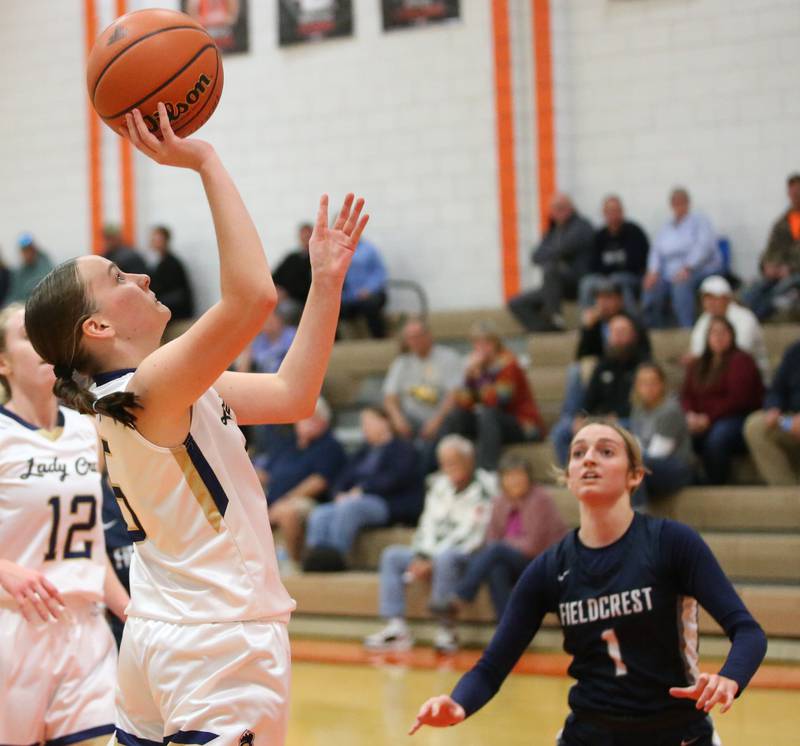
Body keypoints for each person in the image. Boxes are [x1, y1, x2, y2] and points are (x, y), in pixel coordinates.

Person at [24, 106, 368, 745]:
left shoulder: (145, 391)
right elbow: (253, 298)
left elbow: (293, 394)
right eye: (120, 278)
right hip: (220, 640)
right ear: (97, 328)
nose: (144, 275)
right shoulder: (151, 390)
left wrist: (325, 285)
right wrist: (204, 161)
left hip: (163, 632)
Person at [410, 421, 768, 744]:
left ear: (635, 476)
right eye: (578, 453)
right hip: (589, 734)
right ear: (568, 476)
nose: (589, 459)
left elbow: (748, 632)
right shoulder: (549, 568)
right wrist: (458, 703)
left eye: (606, 451)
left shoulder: (672, 543)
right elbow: (491, 667)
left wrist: (729, 678)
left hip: (676, 732)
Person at [0, 304, 129, 746]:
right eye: (25, 336)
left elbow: (91, 540)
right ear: (2, 361)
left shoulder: (88, 430)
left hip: (84, 631)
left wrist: (128, 609)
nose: (40, 344)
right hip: (12, 629)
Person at [364, 435, 495, 654]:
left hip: (468, 555)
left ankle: (447, 629)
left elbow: (474, 535)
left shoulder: (486, 486)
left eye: (453, 462)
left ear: (470, 460)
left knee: (447, 557)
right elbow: (427, 525)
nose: (447, 468)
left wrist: (431, 560)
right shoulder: (438, 485)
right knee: (392, 555)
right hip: (432, 552)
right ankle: (397, 627)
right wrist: (421, 555)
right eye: (443, 463)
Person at [430, 453, 567, 620]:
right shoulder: (499, 501)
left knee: (497, 550)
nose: (514, 481)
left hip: (544, 563)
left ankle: (461, 596)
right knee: (496, 569)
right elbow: (491, 538)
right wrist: (503, 546)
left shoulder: (540, 499)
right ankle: (508, 631)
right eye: (509, 476)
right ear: (501, 480)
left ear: (528, 477)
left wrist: (504, 545)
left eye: (519, 475)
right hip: (512, 562)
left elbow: (533, 546)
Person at [303, 406, 423, 571]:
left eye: (369, 422)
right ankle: (316, 558)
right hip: (354, 499)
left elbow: (394, 479)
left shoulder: (403, 449)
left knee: (350, 507)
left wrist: (363, 490)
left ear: (385, 422)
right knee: (320, 513)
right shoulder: (363, 452)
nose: (365, 427)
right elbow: (342, 478)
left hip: (387, 502)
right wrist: (339, 494)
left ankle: (336, 558)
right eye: (363, 423)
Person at [440, 321, 545, 470]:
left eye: (486, 343)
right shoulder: (476, 367)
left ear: (496, 343)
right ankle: (449, 468)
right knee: (457, 416)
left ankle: (488, 470)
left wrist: (477, 377)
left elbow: (498, 400)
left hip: (525, 425)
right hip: (492, 423)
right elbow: (463, 401)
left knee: (487, 414)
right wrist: (467, 377)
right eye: (477, 344)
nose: (481, 349)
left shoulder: (509, 364)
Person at [259, 398, 347, 574]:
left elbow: (318, 482)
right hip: (274, 499)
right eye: (303, 417)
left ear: (324, 421)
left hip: (311, 503)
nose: (304, 422)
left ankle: (293, 564)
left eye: (311, 418)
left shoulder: (329, 446)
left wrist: (286, 499)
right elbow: (264, 473)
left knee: (287, 511)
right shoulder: (288, 444)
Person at [552, 313, 647, 465]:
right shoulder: (603, 365)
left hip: (628, 419)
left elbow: (642, 401)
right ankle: (572, 476)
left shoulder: (642, 366)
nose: (618, 338)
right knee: (561, 432)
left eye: (622, 333)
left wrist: (615, 416)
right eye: (614, 333)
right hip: (599, 418)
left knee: (620, 429)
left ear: (633, 336)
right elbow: (590, 397)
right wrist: (581, 415)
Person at [681, 316, 764, 484]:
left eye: (723, 332)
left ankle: (716, 484)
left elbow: (738, 399)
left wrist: (708, 418)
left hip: (736, 418)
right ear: (707, 337)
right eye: (714, 333)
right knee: (679, 432)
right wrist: (690, 415)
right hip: (701, 418)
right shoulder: (698, 364)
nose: (718, 337)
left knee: (717, 437)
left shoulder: (741, 360)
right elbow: (686, 395)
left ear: (732, 335)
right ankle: (687, 480)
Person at [382, 317, 463, 473]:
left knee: (448, 422)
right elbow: (390, 397)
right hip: (411, 419)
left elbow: (455, 394)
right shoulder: (402, 362)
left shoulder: (447, 357)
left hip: (440, 418)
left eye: (418, 336)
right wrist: (398, 419)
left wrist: (436, 421)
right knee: (384, 422)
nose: (415, 341)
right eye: (410, 338)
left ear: (429, 335)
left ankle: (421, 473)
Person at [508, 193, 594, 332]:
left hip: (577, 282)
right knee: (516, 303)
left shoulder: (582, 226)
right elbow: (535, 256)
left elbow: (565, 248)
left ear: (571, 208)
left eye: (561, 207)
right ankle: (550, 329)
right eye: (554, 209)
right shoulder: (553, 231)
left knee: (551, 269)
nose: (558, 212)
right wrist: (553, 253)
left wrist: (551, 253)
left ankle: (555, 316)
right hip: (553, 288)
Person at [642, 187, 722, 328]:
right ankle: (654, 330)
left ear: (688, 203)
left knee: (681, 285)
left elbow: (704, 247)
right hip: (670, 273)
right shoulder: (666, 227)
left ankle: (687, 329)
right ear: (671, 205)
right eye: (675, 202)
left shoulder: (700, 221)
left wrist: (688, 267)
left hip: (699, 269)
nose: (678, 205)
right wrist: (652, 271)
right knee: (651, 287)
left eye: (682, 202)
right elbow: (656, 251)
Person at [629, 362, 693, 506]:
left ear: (662, 384)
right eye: (643, 383)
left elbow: (659, 453)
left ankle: (638, 522)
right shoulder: (638, 409)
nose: (648, 388)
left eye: (653, 383)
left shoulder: (670, 410)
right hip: (649, 464)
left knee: (633, 467)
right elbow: (637, 445)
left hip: (678, 467)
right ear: (637, 387)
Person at [689, 274, 769, 382]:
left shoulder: (745, 317)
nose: (710, 303)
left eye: (715, 298)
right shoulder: (705, 319)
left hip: (746, 378)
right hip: (714, 379)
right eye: (707, 299)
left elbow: (741, 350)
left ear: (727, 298)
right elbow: (697, 350)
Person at [743, 173, 800, 320]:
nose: (796, 195)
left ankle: (756, 318)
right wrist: (767, 266)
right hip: (779, 272)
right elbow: (771, 249)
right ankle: (745, 317)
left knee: (778, 290)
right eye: (793, 192)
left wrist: (790, 268)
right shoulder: (782, 222)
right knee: (752, 290)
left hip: (794, 273)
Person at [744, 339, 800, 485]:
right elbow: (776, 390)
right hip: (790, 422)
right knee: (755, 426)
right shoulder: (794, 351)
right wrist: (774, 408)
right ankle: (787, 495)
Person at [578, 195, 649, 311]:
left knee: (618, 280)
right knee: (586, 283)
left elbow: (637, 263)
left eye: (616, 210)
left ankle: (632, 319)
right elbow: (592, 264)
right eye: (609, 211)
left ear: (622, 211)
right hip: (604, 277)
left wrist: (610, 270)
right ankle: (589, 323)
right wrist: (607, 272)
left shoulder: (634, 232)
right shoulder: (599, 236)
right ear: (604, 213)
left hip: (631, 277)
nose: (613, 214)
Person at [339, 236, 388, 338]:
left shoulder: (368, 249)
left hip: (370, 294)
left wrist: (369, 289)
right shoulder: (334, 250)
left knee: (370, 305)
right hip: (347, 298)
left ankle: (379, 339)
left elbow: (380, 272)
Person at [146, 225, 195, 324]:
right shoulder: (161, 262)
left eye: (157, 239)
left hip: (177, 315)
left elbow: (176, 293)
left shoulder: (171, 263)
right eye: (153, 238)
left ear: (165, 241)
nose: (153, 241)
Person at [272, 222, 313, 318]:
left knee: (284, 310)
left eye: (308, 235)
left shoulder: (317, 259)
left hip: (300, 302)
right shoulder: (291, 257)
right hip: (282, 299)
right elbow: (275, 277)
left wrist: (287, 293)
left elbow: (308, 287)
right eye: (303, 235)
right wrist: (277, 291)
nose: (305, 238)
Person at [7, 233, 54, 304]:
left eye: (28, 250)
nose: (27, 254)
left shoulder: (46, 267)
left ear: (34, 249)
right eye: (24, 251)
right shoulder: (19, 273)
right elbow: (14, 294)